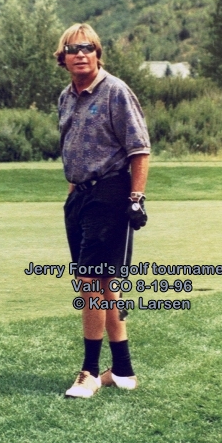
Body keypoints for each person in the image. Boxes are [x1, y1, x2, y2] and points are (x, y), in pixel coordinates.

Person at [54, 23, 150, 398]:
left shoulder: (115, 91)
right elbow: (72, 152)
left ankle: (90, 372)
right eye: (72, 49)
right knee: (104, 283)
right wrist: (71, 196)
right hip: (79, 196)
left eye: (88, 48)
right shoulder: (65, 98)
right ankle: (123, 370)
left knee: (90, 282)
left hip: (110, 191)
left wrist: (136, 198)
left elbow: (139, 149)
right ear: (62, 59)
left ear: (97, 54)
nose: (80, 54)